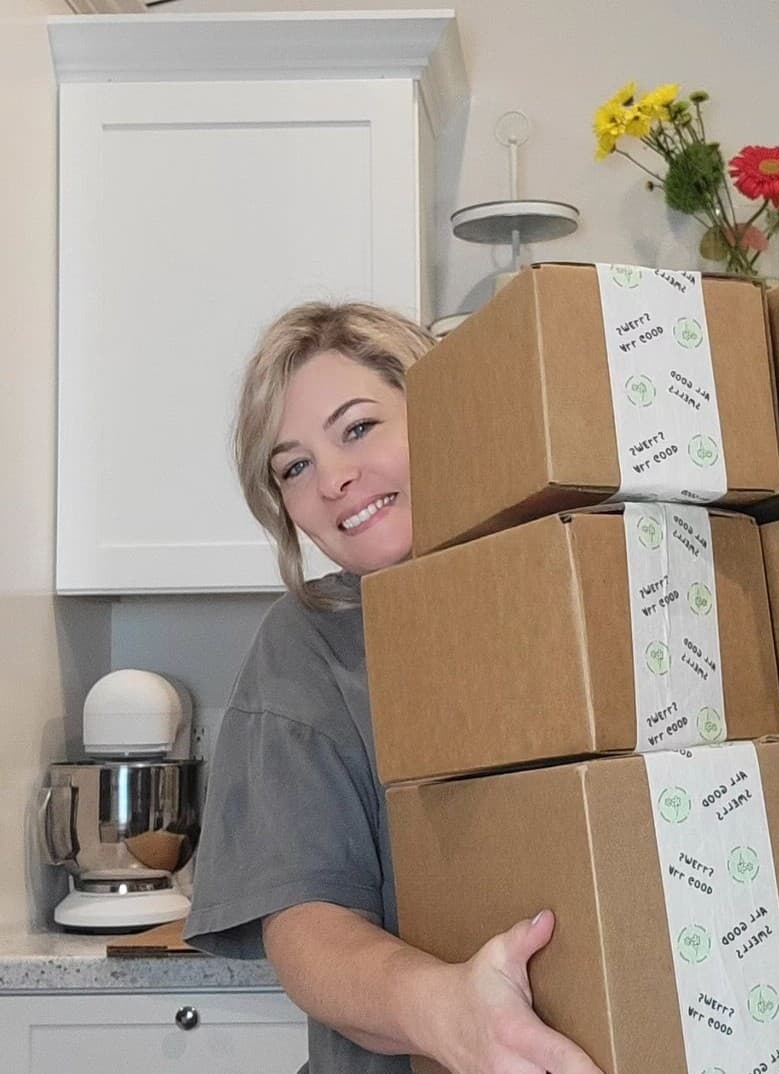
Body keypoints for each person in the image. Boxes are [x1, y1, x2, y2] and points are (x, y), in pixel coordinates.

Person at [184, 302, 604, 1074]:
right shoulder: (307, 647)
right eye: (294, 467)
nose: (334, 479)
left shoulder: (580, 570)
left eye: (358, 428)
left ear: (436, 408)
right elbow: (306, 930)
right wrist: (449, 1013)